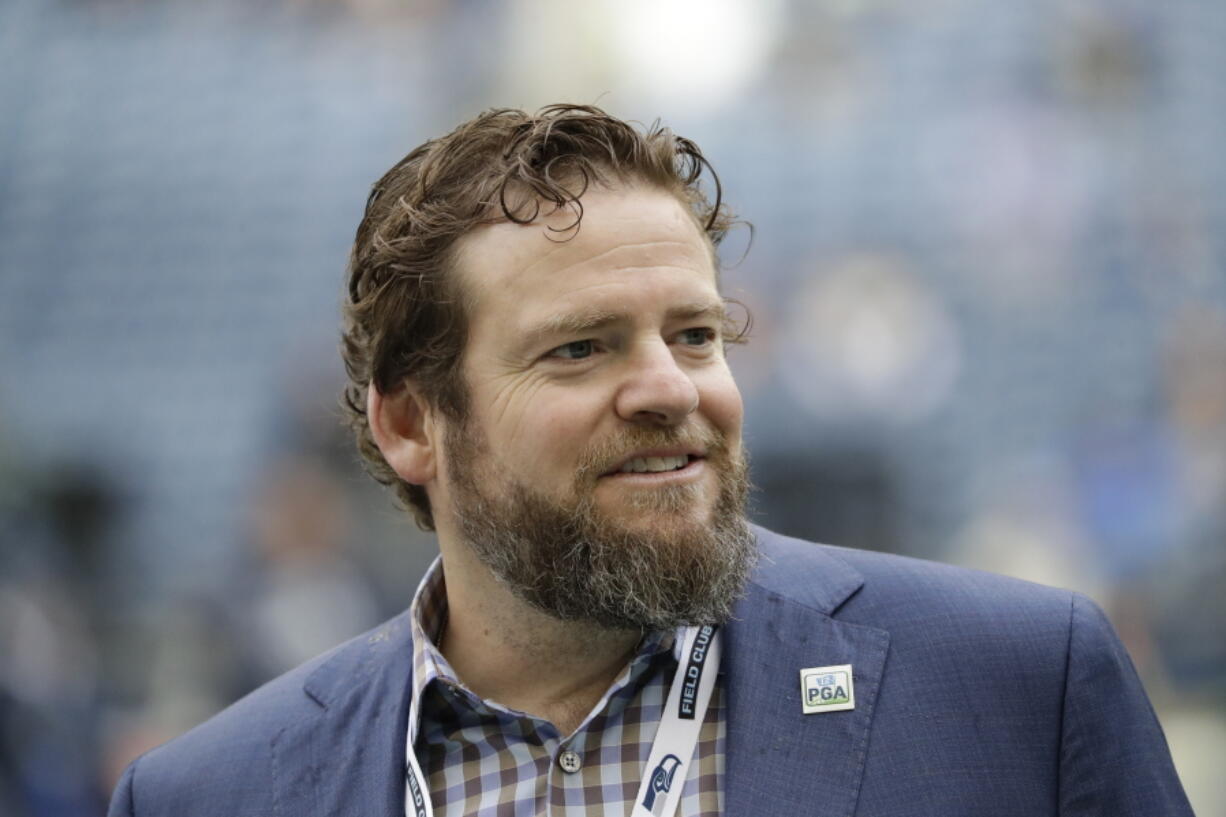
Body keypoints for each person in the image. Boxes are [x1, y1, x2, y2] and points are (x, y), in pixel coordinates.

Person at [108, 105, 1192, 816]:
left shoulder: (1016, 688)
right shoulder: (210, 795)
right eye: (579, 348)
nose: (672, 387)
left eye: (694, 334)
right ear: (409, 426)